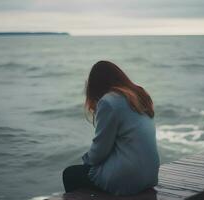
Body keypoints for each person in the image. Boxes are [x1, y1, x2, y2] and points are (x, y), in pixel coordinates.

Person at [62, 60, 160, 196]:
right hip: (150, 175)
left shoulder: (109, 102)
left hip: (129, 178)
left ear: (96, 85)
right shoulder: (138, 95)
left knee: (70, 174)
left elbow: (100, 151)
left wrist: (86, 162)